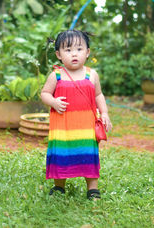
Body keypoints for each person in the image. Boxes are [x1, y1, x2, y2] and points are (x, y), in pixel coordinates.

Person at [41, 30, 112, 200]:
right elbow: (44, 93)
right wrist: (54, 102)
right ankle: (59, 187)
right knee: (61, 154)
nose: (74, 54)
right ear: (58, 54)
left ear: (87, 52)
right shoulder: (56, 75)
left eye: (79, 49)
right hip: (63, 126)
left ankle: (92, 188)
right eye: (68, 50)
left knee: (88, 154)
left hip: (86, 126)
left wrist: (104, 113)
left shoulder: (91, 75)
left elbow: (98, 95)